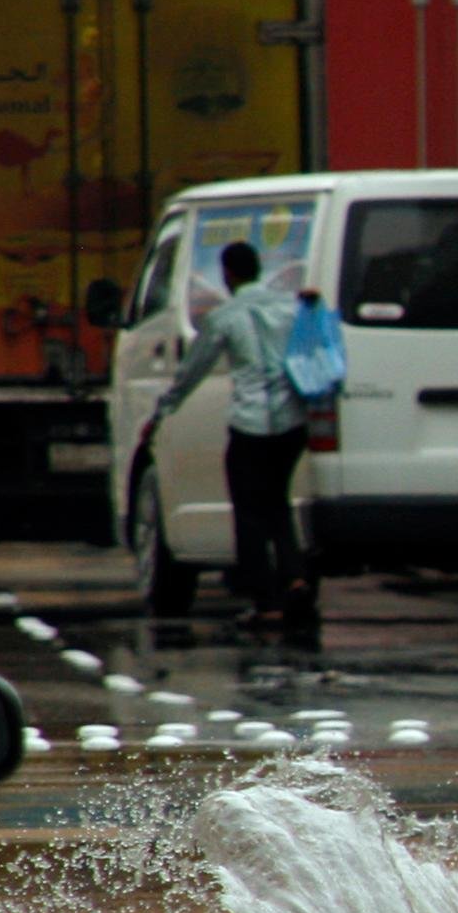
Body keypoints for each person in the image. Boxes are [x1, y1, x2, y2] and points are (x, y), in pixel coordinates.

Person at [153, 242, 313, 626]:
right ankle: (294, 576)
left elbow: (193, 369)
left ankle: (266, 602)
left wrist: (164, 409)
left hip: (250, 425)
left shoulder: (224, 317)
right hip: (292, 424)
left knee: (249, 514)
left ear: (228, 274)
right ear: (258, 269)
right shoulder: (291, 308)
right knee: (277, 504)